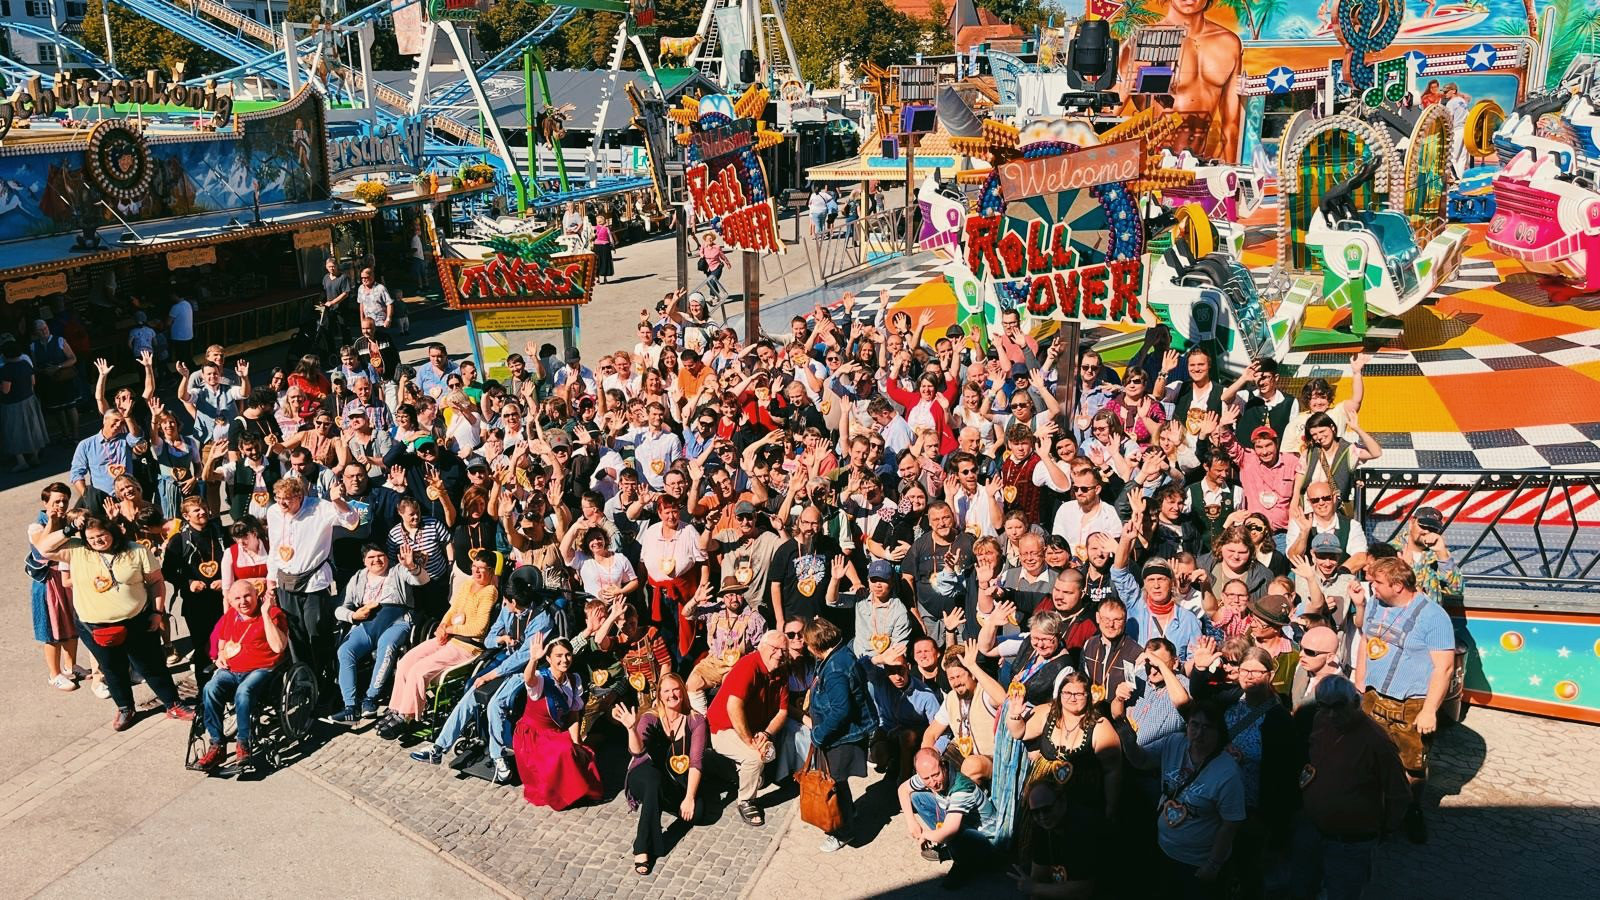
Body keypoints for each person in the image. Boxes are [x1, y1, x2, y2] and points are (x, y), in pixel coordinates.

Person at [31, 512, 193, 730]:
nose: (97, 541)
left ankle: (173, 704)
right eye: (91, 538)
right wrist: (69, 529)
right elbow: (42, 549)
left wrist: (157, 612)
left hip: (137, 621)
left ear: (112, 532)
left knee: (151, 665)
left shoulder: (136, 551)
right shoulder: (77, 550)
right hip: (94, 626)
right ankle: (126, 708)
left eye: (101, 535)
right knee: (112, 669)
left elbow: (156, 582)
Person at [1353, 556, 1456, 844]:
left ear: (1398, 586)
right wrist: (1360, 678)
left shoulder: (1434, 617)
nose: (1372, 586)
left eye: (1377, 582)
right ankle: (1375, 811)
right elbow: (1366, 638)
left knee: (1412, 765)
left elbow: (1444, 667)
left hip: (1412, 704)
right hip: (1374, 696)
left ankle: (1412, 809)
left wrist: (1430, 710)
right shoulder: (1376, 603)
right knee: (1370, 756)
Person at [1292, 675, 1411, 900]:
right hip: (1312, 829)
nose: (1331, 714)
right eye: (1324, 706)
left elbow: (1399, 793)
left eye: (1338, 706)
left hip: (1350, 843)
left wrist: (1384, 831)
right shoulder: (1321, 720)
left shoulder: (1377, 741)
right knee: (1302, 888)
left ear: (1355, 702)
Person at [1114, 703, 1246, 896]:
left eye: (1207, 727)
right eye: (1195, 725)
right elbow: (1142, 761)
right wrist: (1129, 743)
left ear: (1219, 732)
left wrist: (1213, 865)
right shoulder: (1174, 743)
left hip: (1196, 863)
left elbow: (1231, 824)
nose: (1199, 733)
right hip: (1163, 850)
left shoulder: (1228, 772)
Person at [1004, 670, 1120, 871]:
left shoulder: (1100, 725)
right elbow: (1020, 732)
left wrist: (1111, 805)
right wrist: (1014, 714)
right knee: (1040, 840)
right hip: (1043, 792)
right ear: (1060, 694)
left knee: (1074, 848)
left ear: (1088, 695)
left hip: (1080, 798)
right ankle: (1037, 877)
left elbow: (1113, 770)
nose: (1072, 698)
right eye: (1067, 693)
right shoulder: (1047, 712)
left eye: (1079, 694)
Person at [376, 551, 499, 737]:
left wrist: (450, 629)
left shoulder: (489, 591)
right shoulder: (467, 584)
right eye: (474, 566)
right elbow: (453, 610)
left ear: (491, 571)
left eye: (482, 569)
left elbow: (479, 628)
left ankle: (407, 715)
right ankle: (395, 707)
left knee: (419, 670)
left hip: (467, 646)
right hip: (448, 637)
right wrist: (442, 626)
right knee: (405, 661)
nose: (476, 571)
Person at [265, 476, 358, 690]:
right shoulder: (274, 512)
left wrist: (338, 501)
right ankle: (303, 681)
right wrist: (271, 579)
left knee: (316, 631)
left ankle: (325, 679)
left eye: (287, 499)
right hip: (285, 581)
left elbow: (352, 521)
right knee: (294, 633)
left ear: (299, 496)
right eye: (278, 498)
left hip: (313, 582)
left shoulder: (320, 508)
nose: (282, 503)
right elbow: (274, 547)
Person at [617, 672, 708, 874]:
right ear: (659, 695)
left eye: (676, 690)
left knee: (699, 813)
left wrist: (690, 798)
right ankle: (641, 847)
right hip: (644, 773)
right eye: (666, 691)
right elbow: (637, 751)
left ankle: (658, 802)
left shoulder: (695, 720)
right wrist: (631, 729)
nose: (671, 695)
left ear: (683, 692)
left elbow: (696, 762)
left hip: (675, 778)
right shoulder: (650, 717)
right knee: (653, 783)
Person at [193, 580, 289, 770]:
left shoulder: (273, 613)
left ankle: (244, 742)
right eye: (237, 598)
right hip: (232, 669)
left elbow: (279, 647)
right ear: (231, 601)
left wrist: (265, 614)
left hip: (262, 669)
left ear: (256, 595)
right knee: (210, 688)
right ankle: (217, 744)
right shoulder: (231, 615)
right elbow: (222, 642)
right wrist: (220, 656)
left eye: (247, 596)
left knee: (243, 691)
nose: (243, 602)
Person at [329, 543, 428, 722]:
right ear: (364, 561)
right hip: (367, 622)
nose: (376, 560)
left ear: (387, 557)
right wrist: (352, 615)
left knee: (387, 645)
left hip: (396, 620)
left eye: (380, 555)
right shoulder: (358, 578)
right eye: (371, 557)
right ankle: (350, 707)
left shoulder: (398, 570)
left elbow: (422, 581)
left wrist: (412, 566)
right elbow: (340, 607)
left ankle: (371, 698)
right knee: (345, 650)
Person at [804, 616, 877, 853]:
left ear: (816, 645)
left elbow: (841, 710)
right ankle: (849, 812)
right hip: (842, 734)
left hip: (840, 737)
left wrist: (819, 734)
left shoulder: (834, 669)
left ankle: (843, 831)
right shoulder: (840, 655)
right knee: (839, 781)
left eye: (808, 643)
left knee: (834, 782)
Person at [708, 629, 789, 826]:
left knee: (765, 755)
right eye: (775, 648)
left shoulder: (781, 671)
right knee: (754, 758)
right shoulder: (749, 665)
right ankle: (746, 800)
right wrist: (749, 741)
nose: (779, 654)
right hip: (724, 727)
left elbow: (783, 711)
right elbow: (733, 706)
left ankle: (750, 776)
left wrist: (766, 733)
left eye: (784, 651)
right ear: (762, 647)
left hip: (753, 728)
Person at [513, 632, 603, 810]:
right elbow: (528, 679)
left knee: (582, 751)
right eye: (559, 656)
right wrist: (533, 660)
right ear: (549, 658)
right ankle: (565, 796)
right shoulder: (541, 679)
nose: (564, 660)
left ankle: (582, 792)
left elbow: (574, 715)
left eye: (567, 655)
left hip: (554, 732)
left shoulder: (574, 680)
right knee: (563, 750)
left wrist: (577, 743)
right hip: (532, 736)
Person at [898, 747, 1001, 888]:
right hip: (964, 824)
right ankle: (954, 849)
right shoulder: (929, 774)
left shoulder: (962, 789)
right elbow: (903, 790)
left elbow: (949, 831)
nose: (933, 782)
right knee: (918, 797)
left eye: (936, 775)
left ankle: (963, 863)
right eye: (926, 778)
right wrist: (911, 822)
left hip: (987, 842)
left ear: (943, 766)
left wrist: (925, 834)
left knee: (951, 833)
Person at [28, 483, 87, 692]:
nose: (61, 505)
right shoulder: (36, 526)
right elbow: (41, 549)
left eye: (64, 501)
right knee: (51, 629)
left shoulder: (70, 519)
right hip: (48, 581)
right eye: (56, 501)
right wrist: (52, 522)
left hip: (68, 576)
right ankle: (54, 674)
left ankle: (71, 666)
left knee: (72, 624)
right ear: (45, 503)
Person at [0, 339, 48, 470]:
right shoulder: (25, 364)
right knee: (33, 428)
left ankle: (21, 461)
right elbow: (33, 382)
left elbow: (6, 390)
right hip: (29, 400)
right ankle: (35, 456)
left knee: (13, 431)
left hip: (13, 404)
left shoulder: (6, 369)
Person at [593, 215, 616, 284]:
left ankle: (597, 278)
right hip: (605, 246)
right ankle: (605, 278)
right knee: (605, 262)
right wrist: (613, 246)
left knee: (597, 262)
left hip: (597, 246)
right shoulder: (607, 229)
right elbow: (610, 238)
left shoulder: (595, 228)